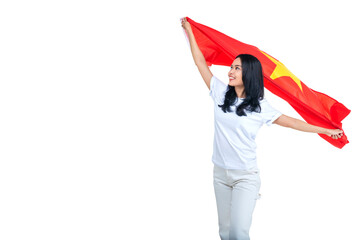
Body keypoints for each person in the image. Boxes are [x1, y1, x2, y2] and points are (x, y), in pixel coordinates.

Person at [181, 17, 343, 240]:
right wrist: (190, 31)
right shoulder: (219, 93)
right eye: (231, 67)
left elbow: (293, 122)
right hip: (219, 174)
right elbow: (200, 63)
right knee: (225, 232)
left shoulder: (260, 108)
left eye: (236, 68)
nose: (230, 71)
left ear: (248, 74)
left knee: (238, 233)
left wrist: (324, 130)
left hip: (245, 177)